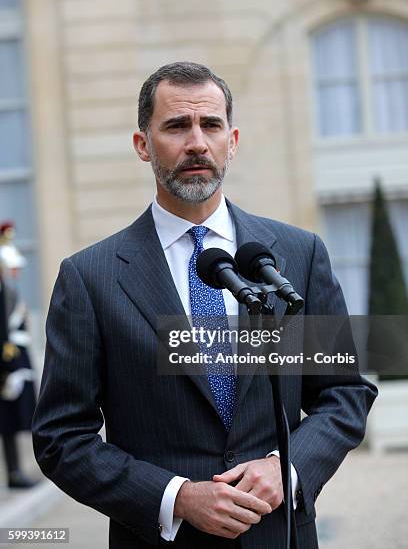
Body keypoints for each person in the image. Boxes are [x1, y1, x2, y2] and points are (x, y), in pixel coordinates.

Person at [32, 62, 377, 548]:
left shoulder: (297, 255)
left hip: (277, 533)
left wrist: (287, 467)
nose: (197, 142)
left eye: (210, 125)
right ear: (143, 145)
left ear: (231, 141)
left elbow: (343, 394)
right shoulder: (90, 277)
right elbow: (61, 437)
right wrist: (174, 497)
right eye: (176, 126)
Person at [0, 222, 38, 489]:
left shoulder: (10, 291)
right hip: (9, 363)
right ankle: (13, 473)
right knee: (9, 422)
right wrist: (9, 368)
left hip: (17, 361)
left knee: (15, 421)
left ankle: (16, 471)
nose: (16, 271)